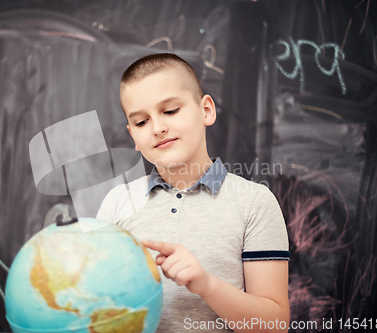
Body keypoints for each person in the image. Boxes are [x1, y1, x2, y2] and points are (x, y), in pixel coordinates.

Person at [96, 53, 290, 333]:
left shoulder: (254, 203)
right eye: (141, 122)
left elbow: (274, 326)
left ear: (206, 111)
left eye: (170, 111)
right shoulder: (116, 203)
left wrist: (206, 285)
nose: (158, 128)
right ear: (133, 137)